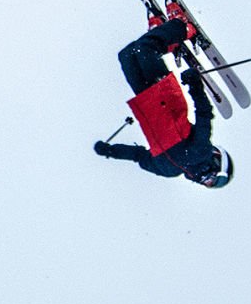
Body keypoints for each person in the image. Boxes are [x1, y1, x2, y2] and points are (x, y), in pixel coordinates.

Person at [93, 13, 233, 188]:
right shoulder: (200, 152)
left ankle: (161, 32)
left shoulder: (169, 170)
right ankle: (182, 27)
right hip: (164, 96)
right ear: (218, 163)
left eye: (210, 184)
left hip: (145, 101)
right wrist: (194, 84)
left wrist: (110, 151)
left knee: (127, 55)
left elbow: (138, 156)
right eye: (213, 179)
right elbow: (204, 114)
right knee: (145, 48)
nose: (206, 180)